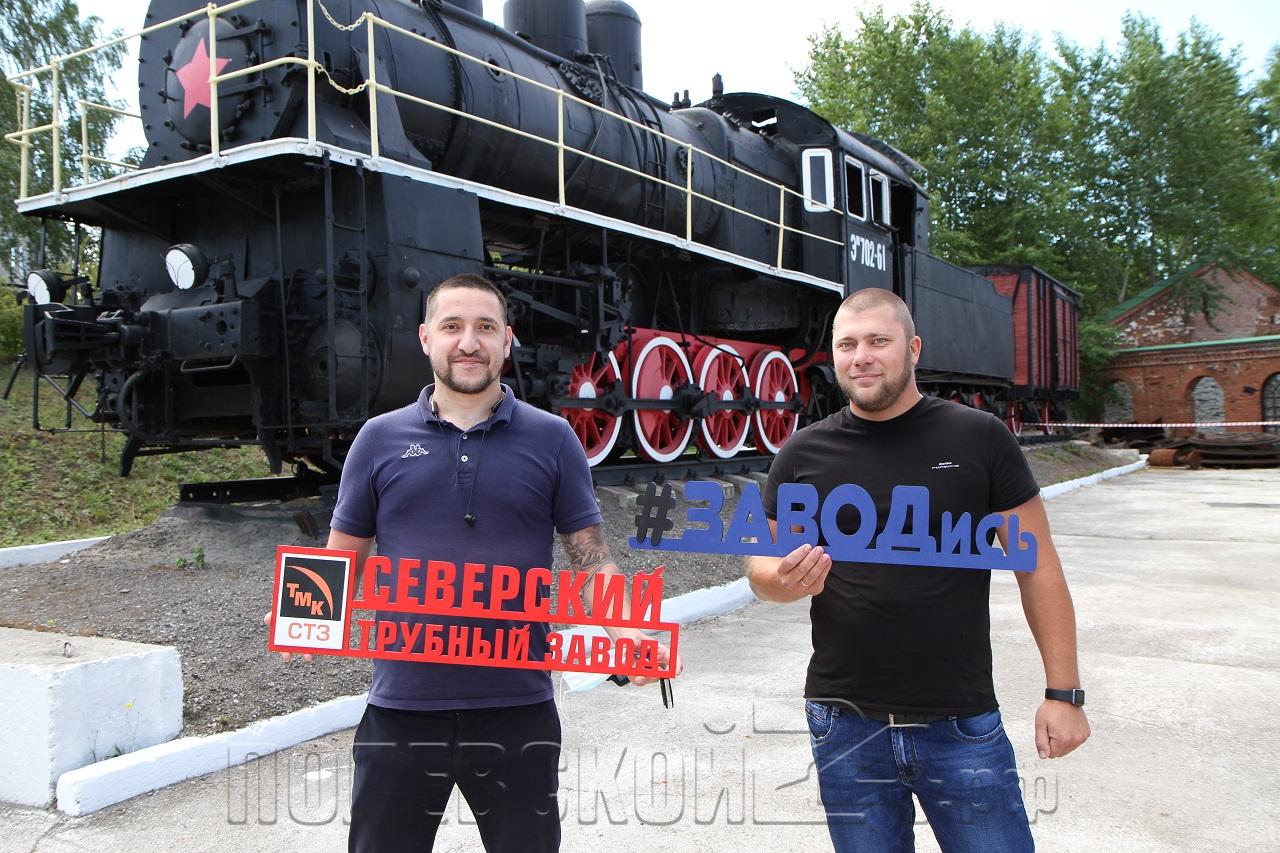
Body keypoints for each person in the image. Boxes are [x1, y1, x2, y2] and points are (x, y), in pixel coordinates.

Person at [271, 273, 680, 852]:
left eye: (486, 327)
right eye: (452, 326)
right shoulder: (377, 439)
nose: (469, 342)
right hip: (403, 706)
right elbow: (343, 558)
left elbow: (592, 561)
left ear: (507, 340)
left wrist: (628, 635)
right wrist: (305, 616)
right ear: (425, 338)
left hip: (519, 709)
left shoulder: (554, 439)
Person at [746, 288, 1089, 852]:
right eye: (847, 345)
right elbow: (761, 570)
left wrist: (1064, 693)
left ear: (914, 349)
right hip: (843, 722)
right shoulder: (803, 453)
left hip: (959, 721)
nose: (861, 357)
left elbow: (1038, 568)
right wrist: (782, 582)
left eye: (878, 341)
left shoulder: (980, 438)